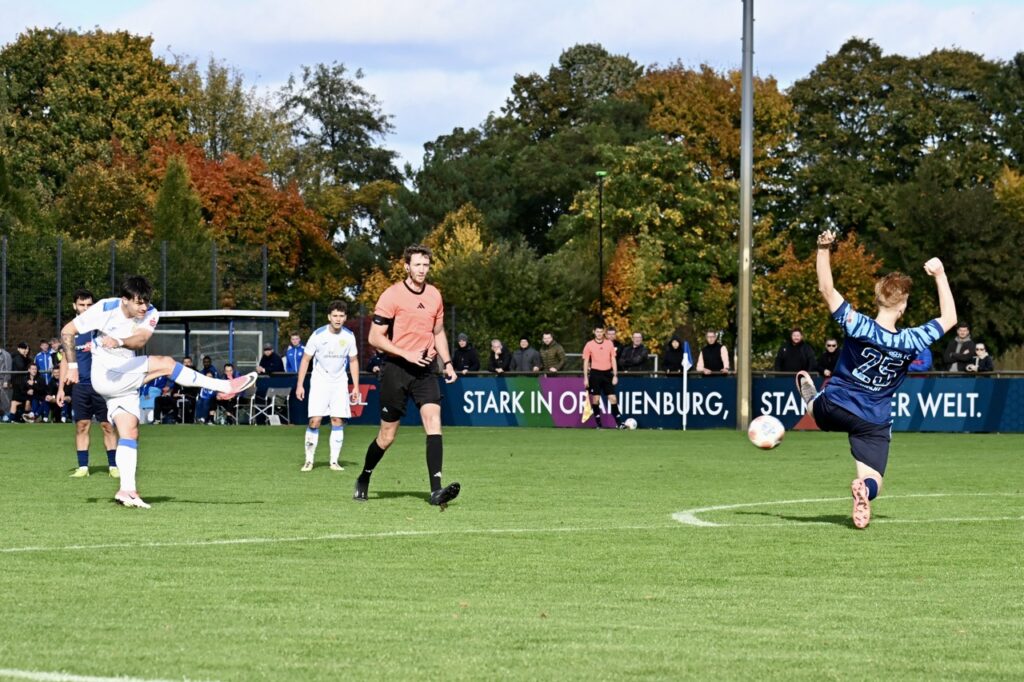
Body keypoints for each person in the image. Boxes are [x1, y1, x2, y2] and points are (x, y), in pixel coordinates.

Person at [796, 229, 955, 529]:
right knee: (875, 479)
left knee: (816, 411)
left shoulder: (858, 324)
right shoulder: (911, 340)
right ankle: (864, 490)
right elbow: (949, 319)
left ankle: (811, 401)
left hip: (836, 405)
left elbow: (826, 290)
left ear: (877, 298)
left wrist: (823, 248)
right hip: (873, 419)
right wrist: (940, 274)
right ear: (903, 306)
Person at [59, 275, 257, 509]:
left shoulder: (151, 313)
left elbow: (139, 340)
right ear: (124, 300)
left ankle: (127, 490)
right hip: (106, 376)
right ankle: (224, 385)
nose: (144, 307)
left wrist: (118, 341)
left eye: (146, 301)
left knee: (129, 432)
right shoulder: (104, 307)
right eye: (138, 302)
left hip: (124, 379)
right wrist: (72, 366)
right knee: (165, 363)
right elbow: (67, 331)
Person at [355, 244, 460, 508]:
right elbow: (374, 338)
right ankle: (364, 476)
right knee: (387, 436)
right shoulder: (392, 296)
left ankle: (436, 491)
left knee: (434, 422)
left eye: (426, 265)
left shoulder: (435, 295)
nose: (422, 270)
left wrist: (447, 362)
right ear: (406, 267)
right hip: (396, 370)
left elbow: (438, 332)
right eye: (417, 265)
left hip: (425, 370)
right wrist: (406, 353)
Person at [56, 290, 119, 476]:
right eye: (82, 305)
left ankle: (113, 466)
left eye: (89, 305)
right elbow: (65, 361)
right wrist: (61, 388)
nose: (85, 308)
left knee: (108, 426)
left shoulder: (102, 327)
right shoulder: (71, 331)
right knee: (82, 425)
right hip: (81, 387)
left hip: (102, 385)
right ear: (74, 306)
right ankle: (83, 467)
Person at [295, 300, 360, 472]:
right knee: (315, 421)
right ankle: (309, 460)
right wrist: (300, 385)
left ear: (345, 317)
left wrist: (356, 386)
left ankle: (334, 461)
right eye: (335, 316)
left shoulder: (349, 336)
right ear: (329, 317)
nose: (338, 319)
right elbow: (305, 360)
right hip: (319, 383)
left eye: (341, 316)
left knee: (337, 420)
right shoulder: (318, 335)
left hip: (339, 383)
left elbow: (353, 361)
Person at [582, 324, 625, 429]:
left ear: (603, 333)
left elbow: (613, 359)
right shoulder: (589, 345)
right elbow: (586, 362)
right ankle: (598, 424)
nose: (599, 334)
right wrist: (586, 378)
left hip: (607, 374)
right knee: (596, 399)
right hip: (595, 374)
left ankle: (619, 423)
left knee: (613, 398)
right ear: (594, 332)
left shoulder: (609, 343)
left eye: (601, 332)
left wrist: (615, 375)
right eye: (597, 332)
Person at [9, 342, 31, 422]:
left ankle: (19, 418)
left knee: (22, 401)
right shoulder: (17, 357)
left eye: (25, 348)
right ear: (18, 348)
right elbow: (21, 367)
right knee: (15, 401)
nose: (25, 350)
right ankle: (12, 418)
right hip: (18, 382)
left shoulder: (24, 357)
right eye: (23, 348)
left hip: (22, 383)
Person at [194, 355, 219, 424]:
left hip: (212, 395)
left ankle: (204, 418)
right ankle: (198, 418)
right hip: (203, 393)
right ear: (203, 363)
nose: (206, 363)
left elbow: (217, 383)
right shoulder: (201, 372)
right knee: (199, 402)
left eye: (208, 362)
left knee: (206, 402)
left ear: (210, 362)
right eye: (205, 362)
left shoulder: (214, 371)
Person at [0, 345, 12, 421]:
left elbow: (8, 369)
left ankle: (7, 415)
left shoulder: (6, 354)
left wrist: (5, 381)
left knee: (4, 398)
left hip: (2, 380)